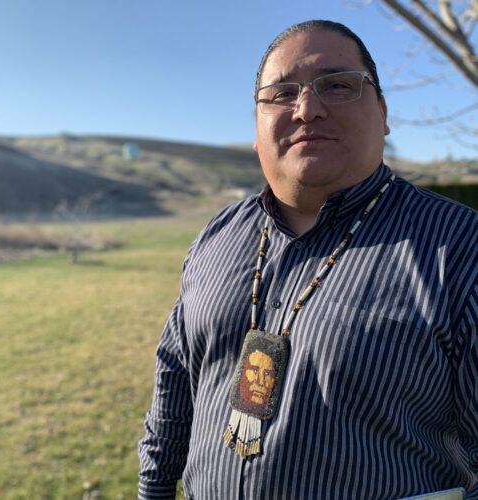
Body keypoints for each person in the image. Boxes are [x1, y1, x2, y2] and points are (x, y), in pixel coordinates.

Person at [138, 20, 477, 499]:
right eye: (281, 93)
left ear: (382, 112)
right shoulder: (215, 237)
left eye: (337, 86)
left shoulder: (461, 250)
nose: (307, 109)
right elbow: (173, 392)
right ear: (256, 126)